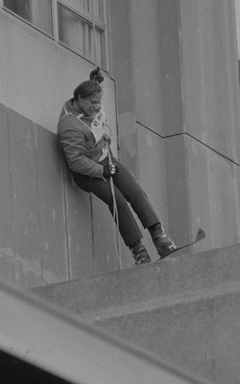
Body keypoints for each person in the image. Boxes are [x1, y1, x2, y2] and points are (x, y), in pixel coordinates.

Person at [57, 68, 177, 265]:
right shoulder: (69, 126)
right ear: (79, 99)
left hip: (105, 160)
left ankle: (160, 238)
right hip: (88, 173)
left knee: (135, 192)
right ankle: (139, 251)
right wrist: (102, 171)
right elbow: (75, 161)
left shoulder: (90, 106)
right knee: (118, 202)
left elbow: (94, 110)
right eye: (93, 103)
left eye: (99, 103)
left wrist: (94, 83)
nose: (96, 107)